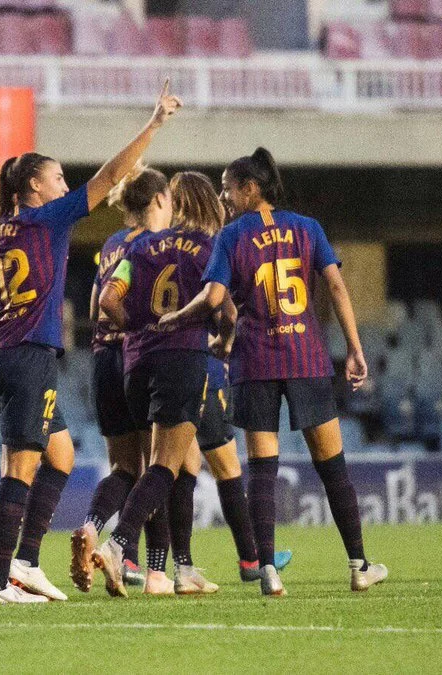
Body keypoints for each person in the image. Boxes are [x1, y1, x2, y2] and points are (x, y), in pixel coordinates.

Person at [0, 81, 183, 604]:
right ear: (33, 190)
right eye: (58, 178)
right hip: (27, 355)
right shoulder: (49, 219)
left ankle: (25, 562)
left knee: (60, 455)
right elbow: (111, 175)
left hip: (1, 355)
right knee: (21, 465)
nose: (67, 186)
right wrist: (154, 124)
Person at [161, 147, 388, 596]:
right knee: (333, 468)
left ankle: (267, 569)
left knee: (263, 469)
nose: (224, 198)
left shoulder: (231, 236)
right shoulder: (308, 228)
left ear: (251, 189)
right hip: (305, 357)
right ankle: (359, 565)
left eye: (228, 189)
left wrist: (173, 319)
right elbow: (337, 286)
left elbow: (211, 299)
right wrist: (355, 350)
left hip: (256, 361)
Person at [82, 169, 224, 598]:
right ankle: (125, 547)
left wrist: (138, 327)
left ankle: (178, 569)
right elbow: (221, 303)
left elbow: (104, 301)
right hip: (179, 357)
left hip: (132, 361)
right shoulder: (208, 247)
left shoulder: (136, 245)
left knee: (179, 461)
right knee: (164, 464)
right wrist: (220, 336)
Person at [70, 168, 161, 593]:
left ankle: (93, 526)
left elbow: (95, 306)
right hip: (137, 356)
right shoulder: (152, 243)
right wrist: (142, 329)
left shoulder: (110, 245)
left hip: (103, 356)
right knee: (157, 463)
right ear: (157, 200)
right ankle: (150, 567)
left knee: (123, 467)